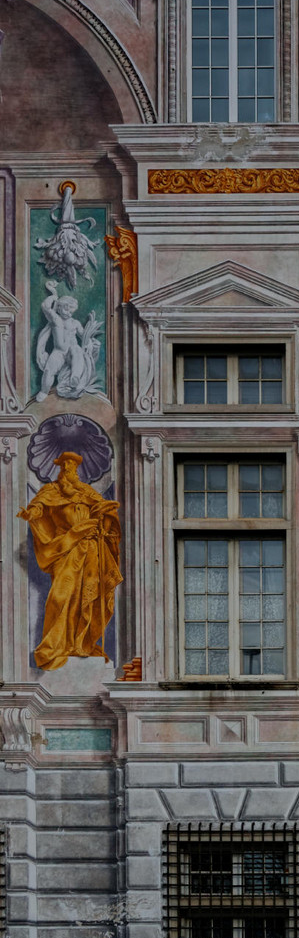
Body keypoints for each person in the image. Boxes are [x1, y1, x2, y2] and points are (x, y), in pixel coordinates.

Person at [18, 451, 123, 671]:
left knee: (88, 596)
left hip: (91, 549)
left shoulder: (87, 491)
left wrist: (105, 516)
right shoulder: (51, 491)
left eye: (72, 464)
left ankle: (81, 643)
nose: (68, 468)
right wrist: (32, 513)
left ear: (77, 469)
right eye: (64, 464)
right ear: (59, 468)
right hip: (66, 548)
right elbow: (39, 506)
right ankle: (53, 647)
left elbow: (104, 512)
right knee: (61, 596)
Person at [34, 280, 101, 401]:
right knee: (49, 370)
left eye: (71, 310)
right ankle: (44, 391)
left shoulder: (75, 323)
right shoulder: (55, 319)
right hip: (58, 351)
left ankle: (74, 378)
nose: (69, 313)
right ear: (59, 307)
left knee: (77, 351)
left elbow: (84, 336)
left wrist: (92, 342)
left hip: (71, 351)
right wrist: (53, 295)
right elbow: (45, 306)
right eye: (66, 309)